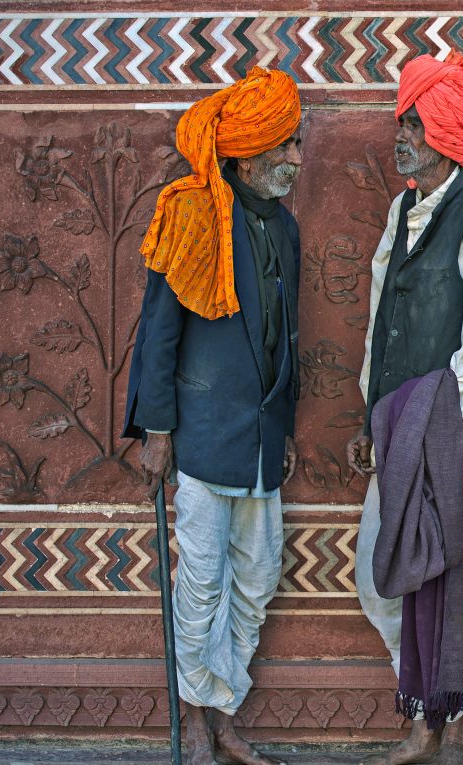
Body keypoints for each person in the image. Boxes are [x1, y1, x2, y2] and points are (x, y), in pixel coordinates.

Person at [347, 52, 463, 765]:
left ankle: (448, 724)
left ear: (448, 136)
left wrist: (429, 416)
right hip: (402, 436)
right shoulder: (402, 210)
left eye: (415, 125)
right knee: (381, 570)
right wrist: (373, 418)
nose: (401, 136)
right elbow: (379, 320)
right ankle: (426, 702)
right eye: (401, 122)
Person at [124, 67, 303, 765]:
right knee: (200, 583)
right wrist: (157, 431)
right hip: (200, 435)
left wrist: (283, 426)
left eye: (295, 145)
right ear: (248, 153)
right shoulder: (193, 213)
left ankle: (222, 706)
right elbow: (159, 330)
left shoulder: (283, 225)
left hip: (261, 438)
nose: (294, 159)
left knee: (257, 578)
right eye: (285, 146)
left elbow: (284, 332)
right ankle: (199, 719)